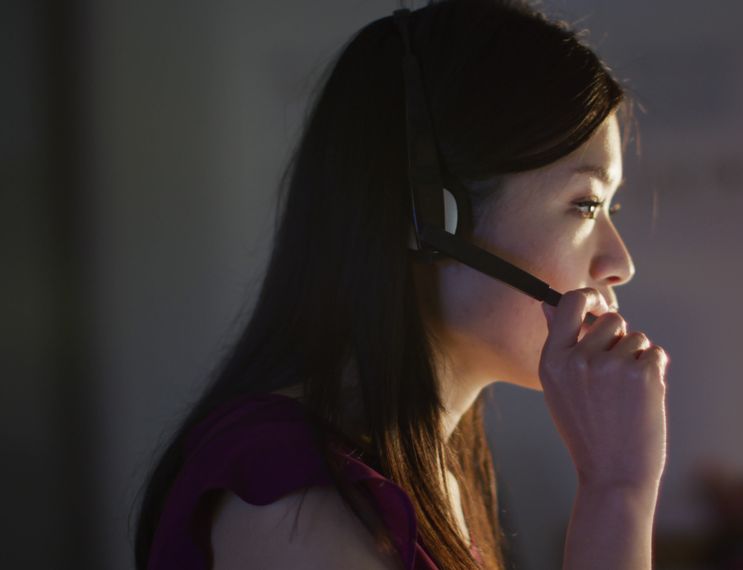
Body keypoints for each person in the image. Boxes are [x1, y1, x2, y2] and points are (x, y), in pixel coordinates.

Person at [133, 1, 669, 568]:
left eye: (610, 206)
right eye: (585, 205)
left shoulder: (429, 474)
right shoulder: (294, 504)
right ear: (431, 219)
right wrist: (615, 491)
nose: (620, 262)